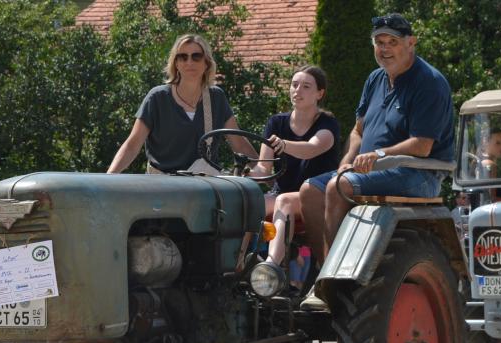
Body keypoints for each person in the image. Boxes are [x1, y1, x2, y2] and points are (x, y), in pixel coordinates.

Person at [298, 13, 455, 310]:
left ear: (411, 43)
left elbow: (422, 146)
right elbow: (358, 130)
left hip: (416, 172)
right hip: (367, 169)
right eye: (379, 42)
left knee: (337, 187)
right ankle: (327, 274)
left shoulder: (430, 82)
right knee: (309, 191)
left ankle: (330, 282)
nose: (384, 49)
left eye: (392, 42)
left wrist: (380, 154)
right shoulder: (375, 79)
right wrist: (347, 158)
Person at [107, 34, 258, 174]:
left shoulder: (216, 98)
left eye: (196, 56)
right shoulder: (157, 98)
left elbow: (240, 145)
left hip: (204, 187)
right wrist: (108, 179)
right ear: (176, 63)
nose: (189, 62)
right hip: (163, 187)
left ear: (207, 63)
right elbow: (132, 145)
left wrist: (272, 182)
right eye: (183, 57)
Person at [255, 65, 341, 266]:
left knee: (284, 201)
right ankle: (237, 266)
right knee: (244, 201)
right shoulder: (276, 122)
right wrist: (242, 174)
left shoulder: (328, 124)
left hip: (315, 196)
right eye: (294, 85)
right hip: (281, 192)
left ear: (320, 93)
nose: (297, 90)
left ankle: (271, 266)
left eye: (306, 86)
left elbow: (312, 148)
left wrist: (284, 145)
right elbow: (263, 169)